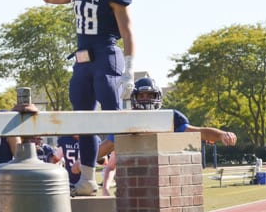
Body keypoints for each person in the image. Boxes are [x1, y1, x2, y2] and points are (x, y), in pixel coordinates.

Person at [20, 0, 136, 196]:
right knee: (83, 122)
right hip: (82, 62)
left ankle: (127, 173)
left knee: (114, 119)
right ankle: (87, 179)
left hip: (106, 56)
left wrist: (129, 70)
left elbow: (127, 31)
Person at [96, 77, 237, 194]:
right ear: (134, 98)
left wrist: (222, 134)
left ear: (157, 97)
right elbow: (104, 148)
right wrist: (86, 160)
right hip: (134, 182)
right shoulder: (127, 121)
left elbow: (199, 132)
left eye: (150, 95)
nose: (146, 99)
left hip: (164, 181)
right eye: (141, 96)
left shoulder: (169, 118)